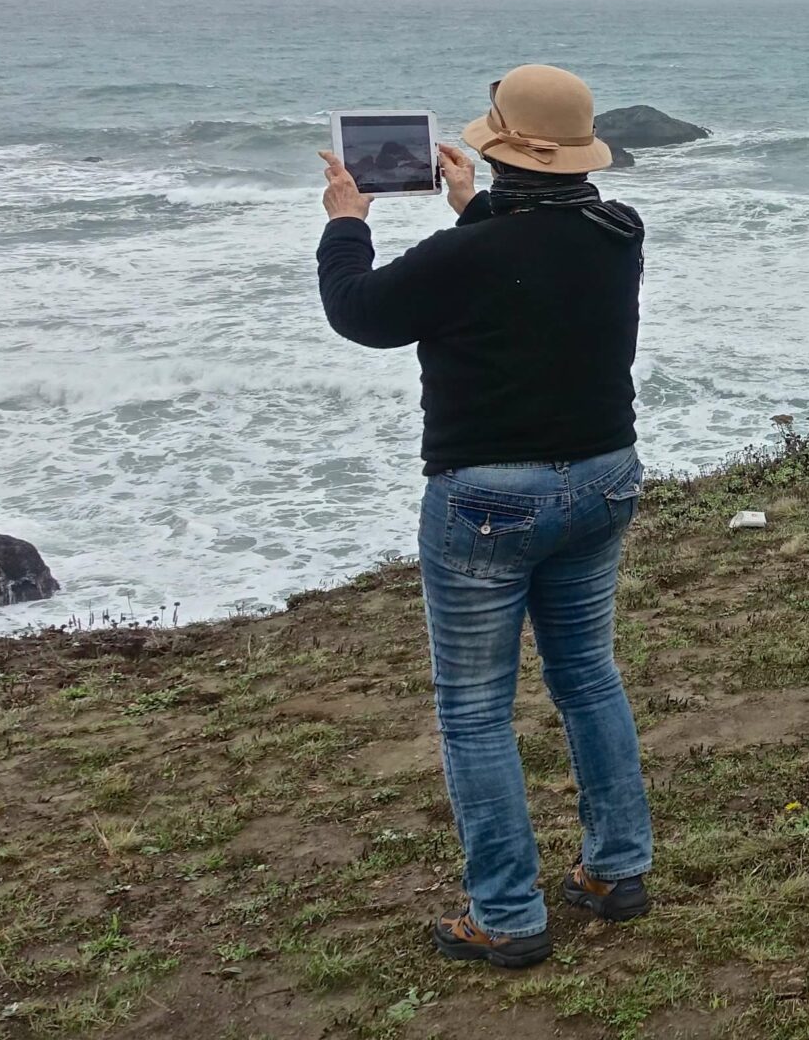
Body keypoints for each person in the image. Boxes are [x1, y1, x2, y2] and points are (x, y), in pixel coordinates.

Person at [315, 64, 653, 969]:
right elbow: (530, 271)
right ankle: (617, 872)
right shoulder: (618, 231)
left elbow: (360, 312)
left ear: (500, 148)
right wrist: (471, 205)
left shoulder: (466, 256)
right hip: (604, 478)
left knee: (474, 712)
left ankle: (507, 916)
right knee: (588, 676)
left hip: (488, 501)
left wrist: (347, 223)